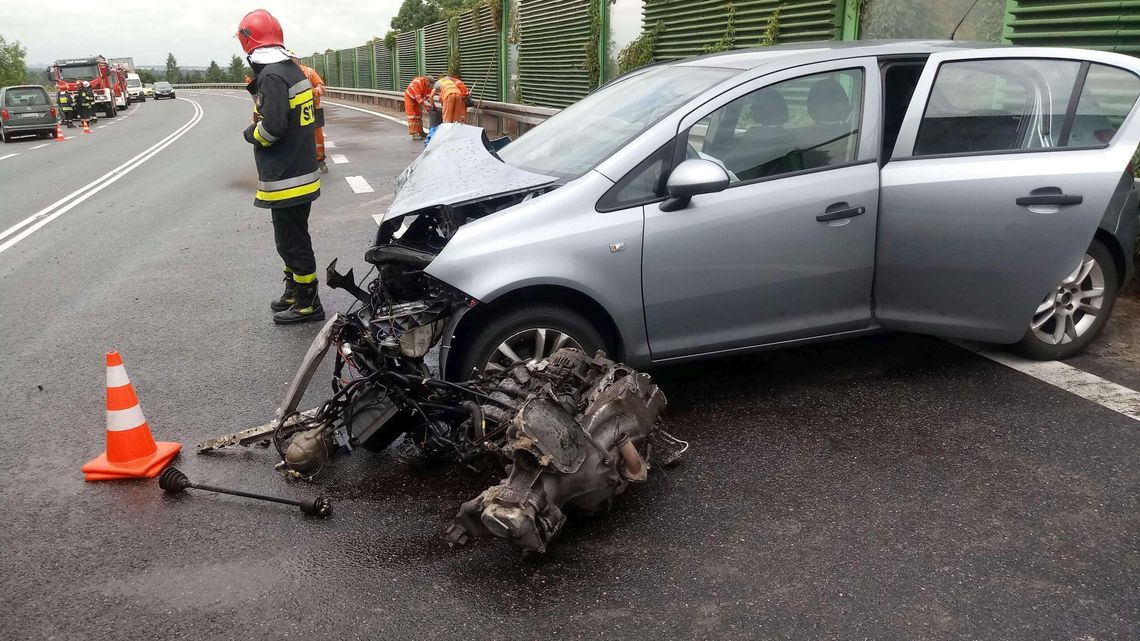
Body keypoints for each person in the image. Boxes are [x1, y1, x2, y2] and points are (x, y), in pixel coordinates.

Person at [237, 9, 325, 325]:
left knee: (293, 241)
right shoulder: (292, 69)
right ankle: (294, 291)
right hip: (300, 171)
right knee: (288, 238)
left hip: (288, 177)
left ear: (250, 45)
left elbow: (272, 129)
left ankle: (307, 303)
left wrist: (251, 134)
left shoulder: (273, 76)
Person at [286, 49, 327, 173]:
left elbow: (321, 86)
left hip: (312, 110)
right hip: (294, 112)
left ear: (297, 60)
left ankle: (320, 160)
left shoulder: (309, 72)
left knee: (317, 138)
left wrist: (316, 92)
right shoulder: (285, 74)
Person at [403, 74, 436, 140]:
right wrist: (426, 107)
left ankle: (420, 131)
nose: (430, 87)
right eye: (429, 85)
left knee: (419, 114)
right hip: (410, 97)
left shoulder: (428, 86)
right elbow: (419, 98)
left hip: (417, 99)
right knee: (412, 115)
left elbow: (428, 97)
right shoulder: (417, 82)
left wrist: (432, 106)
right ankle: (414, 133)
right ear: (426, 81)